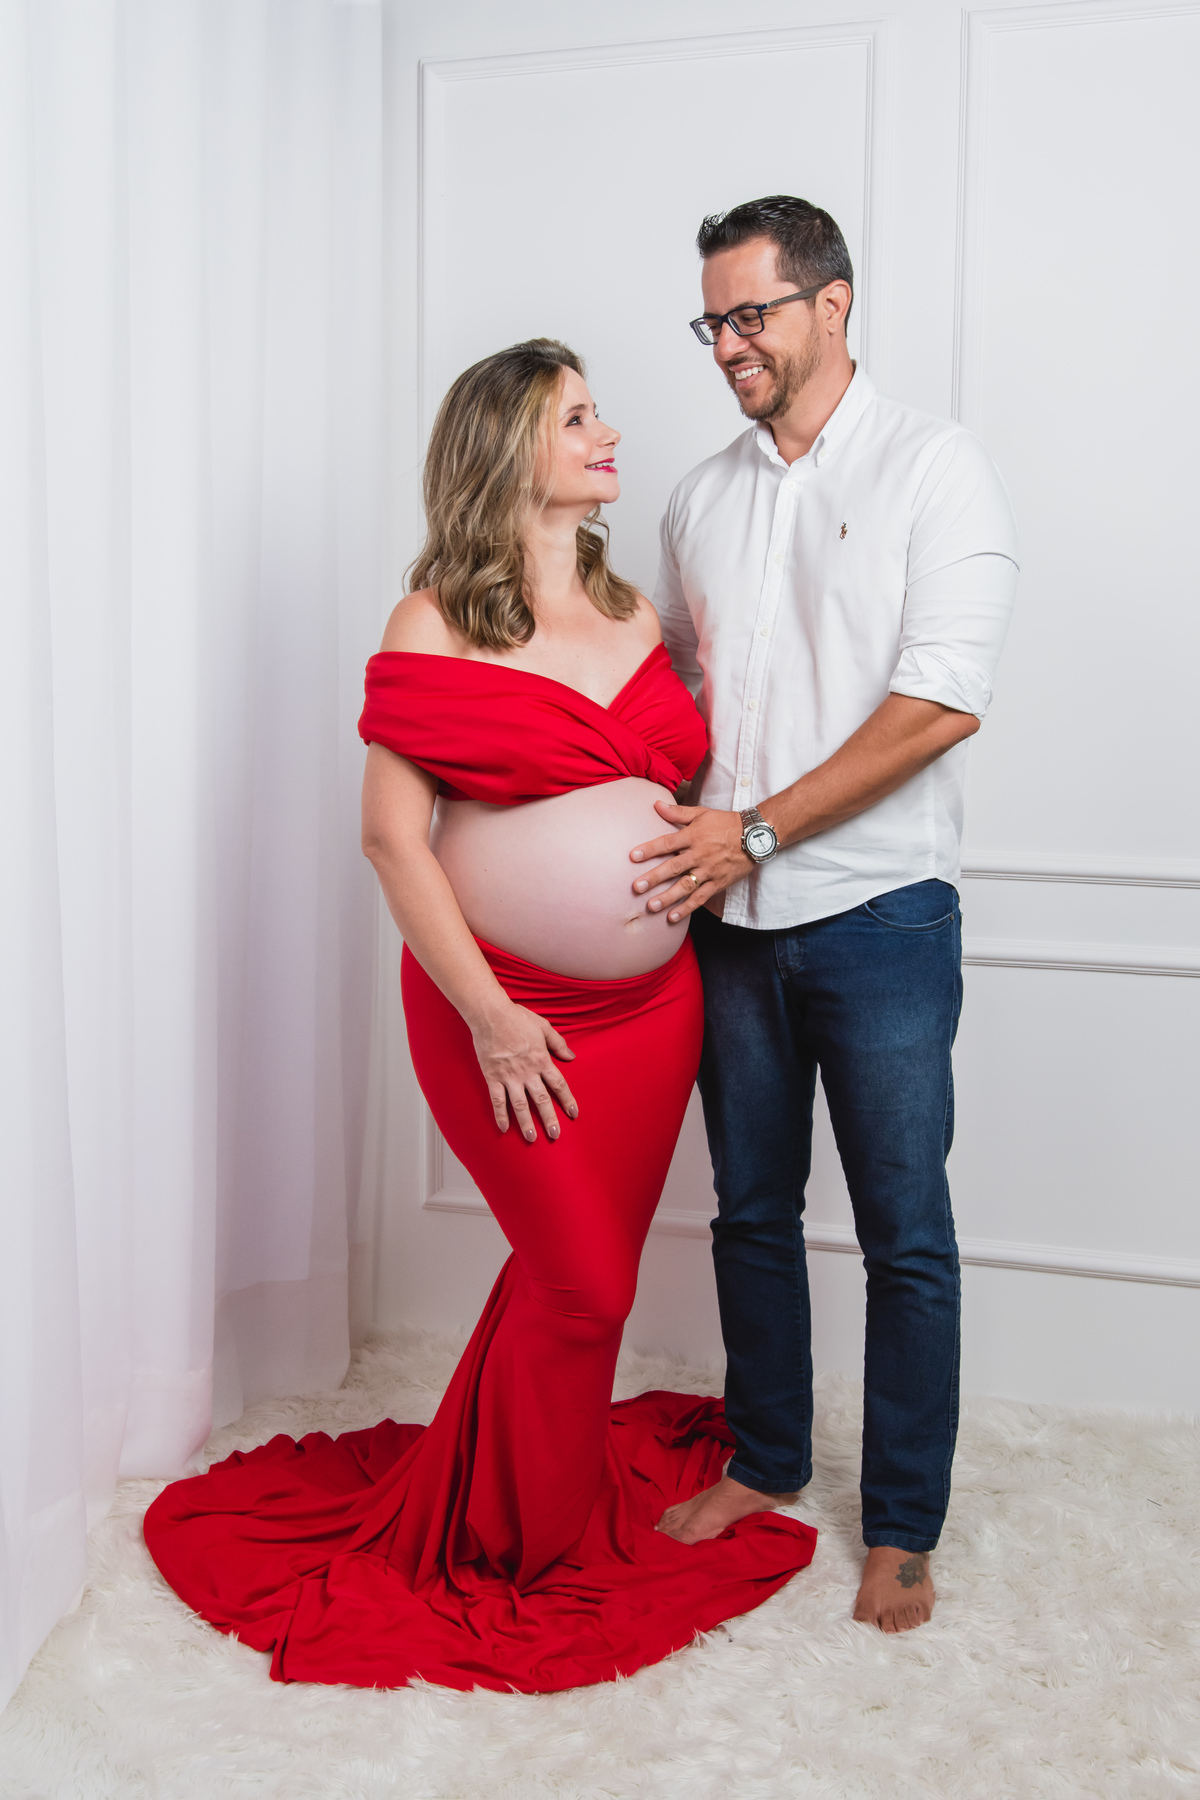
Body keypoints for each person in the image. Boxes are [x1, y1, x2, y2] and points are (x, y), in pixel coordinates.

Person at [143, 337, 816, 1694]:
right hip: (501, 1012)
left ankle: (520, 1495)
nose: (607, 433)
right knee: (583, 1280)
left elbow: (684, 774)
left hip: (654, 1011)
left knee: (579, 1291)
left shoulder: (639, 611)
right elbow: (392, 840)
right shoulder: (437, 619)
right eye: (576, 418)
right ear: (508, 449)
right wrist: (496, 1014)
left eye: (598, 413)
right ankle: (515, 1545)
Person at [635, 197, 1018, 1633]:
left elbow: (941, 703)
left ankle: (904, 1524)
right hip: (726, 927)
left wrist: (758, 828)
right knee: (749, 1211)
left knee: (906, 1229)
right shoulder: (698, 497)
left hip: (884, 916)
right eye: (712, 321)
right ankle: (768, 1459)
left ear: (834, 304)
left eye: (753, 314)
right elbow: (670, 690)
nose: (729, 344)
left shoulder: (937, 467)